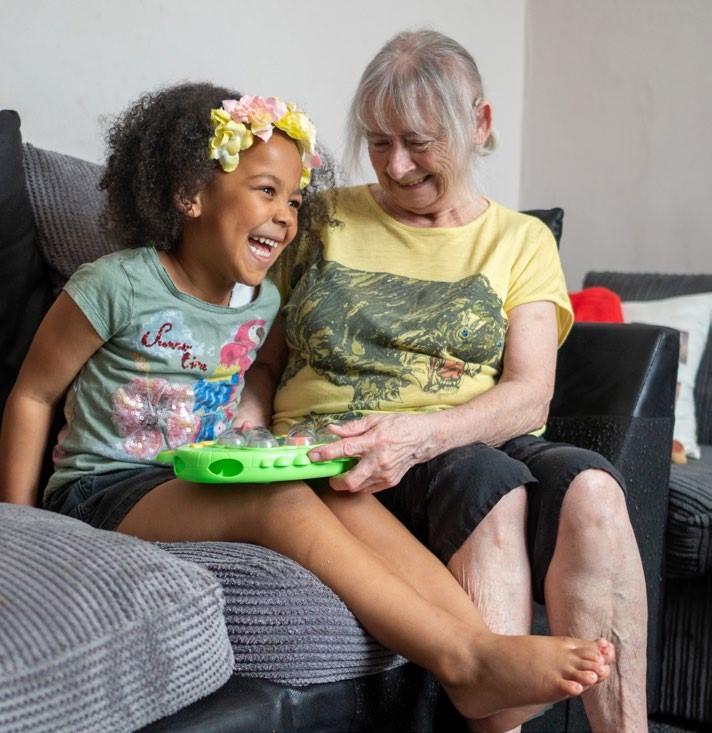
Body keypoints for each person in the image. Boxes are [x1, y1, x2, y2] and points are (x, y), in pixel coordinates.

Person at [0, 81, 613, 731]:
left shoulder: (261, 302)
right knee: (280, 500)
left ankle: (487, 651)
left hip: (193, 474)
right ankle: (462, 658)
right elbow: (33, 394)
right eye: (266, 191)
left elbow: (261, 384)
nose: (287, 214)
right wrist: (21, 526)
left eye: (294, 199)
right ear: (191, 194)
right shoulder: (117, 284)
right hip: (106, 488)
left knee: (340, 491)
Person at [268, 30, 648, 733]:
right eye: (379, 143)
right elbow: (261, 354)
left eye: (418, 140)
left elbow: (530, 392)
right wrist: (249, 428)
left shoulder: (521, 239)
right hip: (347, 443)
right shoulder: (319, 218)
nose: (397, 165)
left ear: (479, 123)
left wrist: (423, 432)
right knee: (484, 480)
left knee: (597, 490)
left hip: (466, 427)